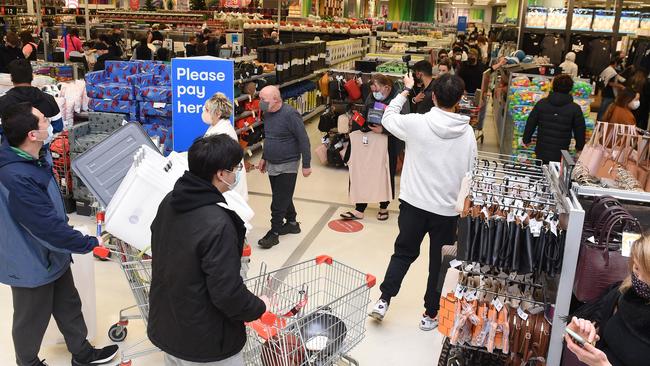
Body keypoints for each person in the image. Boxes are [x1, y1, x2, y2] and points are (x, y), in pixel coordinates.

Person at [0, 102, 118, 366]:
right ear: (32, 134)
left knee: (68, 306)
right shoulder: (15, 176)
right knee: (31, 320)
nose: (50, 123)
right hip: (30, 261)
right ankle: (28, 363)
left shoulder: (32, 156)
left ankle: (82, 354)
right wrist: (88, 243)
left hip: (53, 254)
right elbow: (45, 228)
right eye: (43, 120)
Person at [369, 74, 477, 331]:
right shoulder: (468, 132)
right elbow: (470, 173)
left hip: (414, 204)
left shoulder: (417, 123)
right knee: (439, 263)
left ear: (434, 96)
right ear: (460, 99)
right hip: (447, 211)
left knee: (403, 253)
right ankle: (430, 314)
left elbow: (387, 117)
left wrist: (405, 92)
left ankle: (384, 300)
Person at [148, 134, 267, 366]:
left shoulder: (170, 200)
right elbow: (227, 293)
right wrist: (258, 306)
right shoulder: (218, 223)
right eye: (236, 168)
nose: (238, 173)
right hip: (207, 342)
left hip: (169, 325)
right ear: (221, 174)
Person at [566, 232, 650, 366]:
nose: (638, 279)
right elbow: (602, 335)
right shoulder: (625, 294)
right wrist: (586, 335)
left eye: (647, 276)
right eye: (636, 268)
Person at [339, 74, 407, 221]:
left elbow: (404, 124)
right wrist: (359, 122)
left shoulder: (399, 99)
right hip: (371, 141)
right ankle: (359, 209)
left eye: (376, 88)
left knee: (385, 173)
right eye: (372, 88)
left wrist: (384, 130)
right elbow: (365, 113)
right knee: (365, 170)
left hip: (390, 142)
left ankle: (384, 207)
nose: (373, 91)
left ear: (387, 87)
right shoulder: (371, 96)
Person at [257, 86, 311, 249]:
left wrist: (306, 164)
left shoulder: (290, 114)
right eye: (260, 99)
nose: (261, 103)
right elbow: (269, 137)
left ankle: (274, 233)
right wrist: (264, 157)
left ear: (276, 99)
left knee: (278, 200)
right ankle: (293, 223)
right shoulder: (267, 113)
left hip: (288, 163)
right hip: (272, 162)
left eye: (264, 100)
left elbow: (303, 139)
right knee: (282, 194)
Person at [522, 74, 586, 163]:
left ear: (553, 86)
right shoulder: (575, 108)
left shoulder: (542, 103)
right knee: (556, 175)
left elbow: (531, 122)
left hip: (542, 151)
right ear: (570, 89)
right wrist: (579, 146)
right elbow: (580, 130)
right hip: (561, 153)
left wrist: (526, 139)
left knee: (540, 173)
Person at [202, 92, 248, 201]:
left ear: (217, 113)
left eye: (207, 110)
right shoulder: (217, 126)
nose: (204, 113)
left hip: (227, 183)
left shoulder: (223, 132)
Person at [0, 60, 64, 134]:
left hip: (11, 145)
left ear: (11, 78)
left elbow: (1, 130)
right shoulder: (48, 99)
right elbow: (58, 126)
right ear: (32, 76)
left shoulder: (3, 101)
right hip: (42, 144)